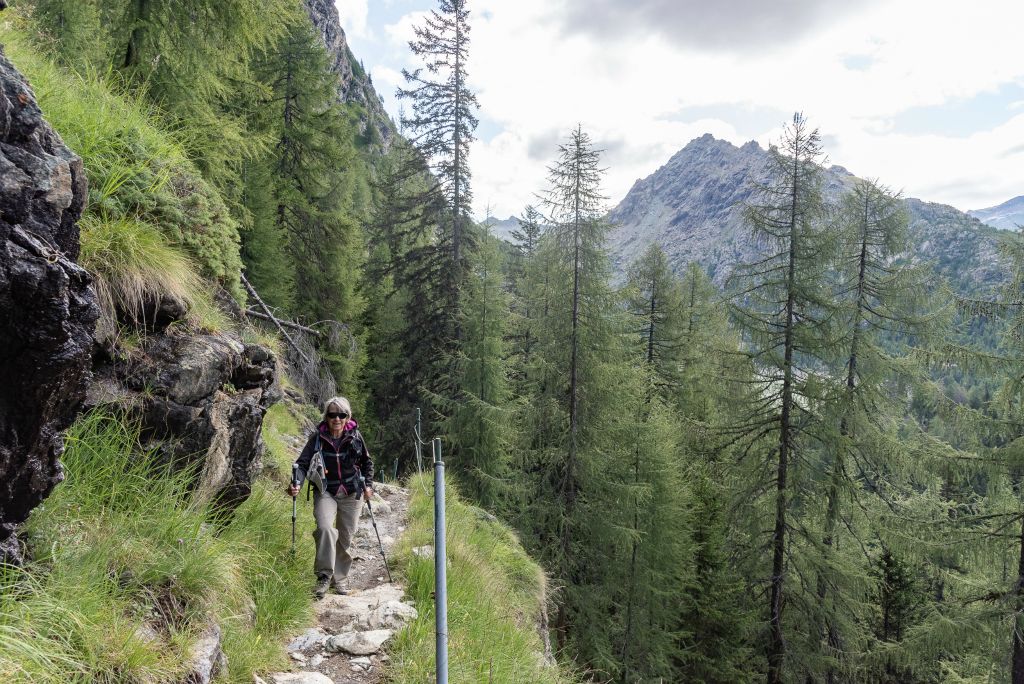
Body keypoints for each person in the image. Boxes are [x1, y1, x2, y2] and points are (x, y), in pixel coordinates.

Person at [288, 396, 374, 599]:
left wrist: (368, 485)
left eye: (341, 415)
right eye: (332, 414)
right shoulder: (317, 437)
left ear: (347, 416)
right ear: (326, 416)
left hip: (352, 491)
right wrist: (296, 483)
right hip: (325, 490)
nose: (337, 419)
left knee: (345, 536)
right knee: (325, 528)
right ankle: (324, 576)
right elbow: (302, 464)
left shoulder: (355, 436)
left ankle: (340, 579)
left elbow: (367, 463)